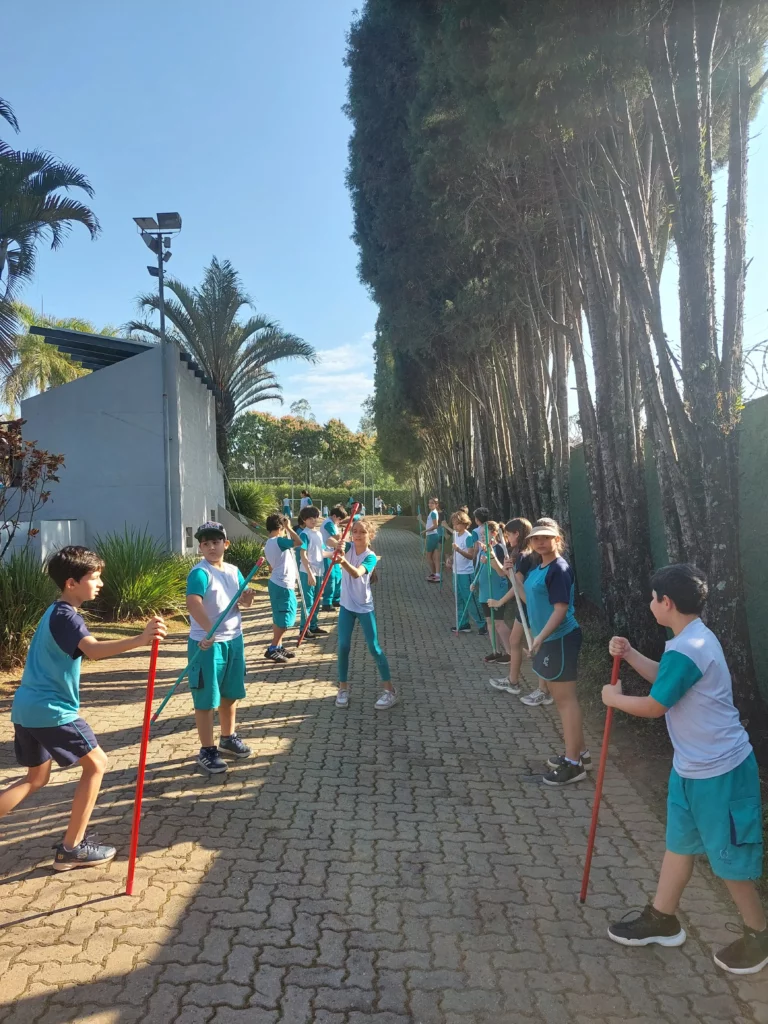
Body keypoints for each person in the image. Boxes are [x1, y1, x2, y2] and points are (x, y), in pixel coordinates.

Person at [603, 563, 768, 974]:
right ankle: (663, 918)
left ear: (667, 603)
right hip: (691, 768)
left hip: (721, 772)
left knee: (728, 858)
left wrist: (613, 699)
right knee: (679, 844)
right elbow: (666, 682)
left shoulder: (689, 647)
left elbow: (655, 706)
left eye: (653, 597)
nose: (650, 603)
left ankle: (759, 935)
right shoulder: (689, 639)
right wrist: (630, 654)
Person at [0, 546, 166, 870]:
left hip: (26, 708)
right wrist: (140, 639)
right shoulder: (66, 616)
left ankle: (71, 847)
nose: (100, 583)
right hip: (51, 710)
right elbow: (93, 651)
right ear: (71, 583)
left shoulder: (55, 612)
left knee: (36, 779)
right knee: (97, 764)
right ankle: (71, 849)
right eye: (94, 577)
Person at [185, 522, 255, 774]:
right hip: (206, 644)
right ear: (200, 548)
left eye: (216, 542)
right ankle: (207, 749)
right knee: (206, 698)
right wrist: (208, 630)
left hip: (234, 639)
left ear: (226, 544)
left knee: (230, 693)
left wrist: (248, 597)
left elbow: (243, 601)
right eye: (205, 543)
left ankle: (228, 738)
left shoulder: (234, 571)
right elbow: (193, 603)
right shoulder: (199, 573)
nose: (211, 547)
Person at [524, 520, 587, 785]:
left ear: (557, 540)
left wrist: (539, 638)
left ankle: (574, 764)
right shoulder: (539, 567)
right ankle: (581, 753)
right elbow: (530, 598)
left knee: (565, 701)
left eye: (546, 537)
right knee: (562, 699)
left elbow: (560, 610)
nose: (540, 542)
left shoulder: (558, 569)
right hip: (548, 639)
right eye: (535, 538)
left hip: (559, 639)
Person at [333, 519, 396, 710]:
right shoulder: (349, 547)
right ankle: (343, 688)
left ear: (371, 535)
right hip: (346, 606)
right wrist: (337, 544)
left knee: (374, 648)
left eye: (362, 532)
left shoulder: (371, 557)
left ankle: (390, 691)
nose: (358, 535)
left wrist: (342, 561)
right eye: (355, 531)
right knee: (343, 646)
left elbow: (356, 573)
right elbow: (330, 542)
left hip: (364, 608)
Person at [263, 513, 303, 663]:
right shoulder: (278, 541)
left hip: (279, 583)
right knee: (285, 618)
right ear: (281, 527)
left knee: (279, 617)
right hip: (282, 584)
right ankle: (272, 648)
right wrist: (289, 528)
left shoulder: (269, 542)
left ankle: (278, 646)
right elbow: (299, 542)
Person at [471, 521, 509, 648]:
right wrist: (474, 582)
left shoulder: (499, 549)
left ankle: (510, 652)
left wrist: (490, 561)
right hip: (484, 591)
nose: (481, 536)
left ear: (494, 533)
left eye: (484, 534)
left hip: (496, 591)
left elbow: (503, 571)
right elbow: (479, 569)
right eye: (480, 534)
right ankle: (495, 651)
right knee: (489, 622)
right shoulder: (483, 549)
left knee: (498, 623)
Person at [449, 510, 485, 634]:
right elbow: (454, 552)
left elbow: (471, 556)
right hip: (456, 572)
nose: (455, 526)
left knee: (470, 599)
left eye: (457, 523)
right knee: (459, 599)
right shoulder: (455, 535)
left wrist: (458, 550)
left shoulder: (468, 537)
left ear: (465, 523)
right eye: (454, 524)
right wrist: (450, 559)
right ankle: (463, 623)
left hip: (466, 573)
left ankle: (482, 624)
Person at [297, 505, 330, 639]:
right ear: (304, 520)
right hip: (307, 572)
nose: (313, 520)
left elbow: (322, 552)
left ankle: (313, 626)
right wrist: (310, 573)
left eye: (315, 517)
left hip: (319, 571)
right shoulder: (304, 534)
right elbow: (303, 554)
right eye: (309, 518)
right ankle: (304, 629)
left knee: (317, 600)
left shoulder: (319, 534)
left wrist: (335, 554)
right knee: (308, 601)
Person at [321, 505, 346, 610]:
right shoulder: (328, 523)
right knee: (330, 577)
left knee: (338, 576)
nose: (340, 521)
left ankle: (336, 599)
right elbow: (337, 536)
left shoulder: (333, 523)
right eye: (339, 519)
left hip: (334, 552)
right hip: (327, 553)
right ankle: (327, 602)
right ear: (334, 516)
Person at [425, 497, 442, 582]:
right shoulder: (433, 512)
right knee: (435, 557)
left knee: (428, 557)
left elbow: (435, 525)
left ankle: (434, 573)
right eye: (429, 503)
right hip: (434, 535)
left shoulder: (433, 513)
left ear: (436, 504)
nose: (430, 504)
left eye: (432, 503)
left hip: (432, 536)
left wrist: (426, 531)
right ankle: (437, 574)